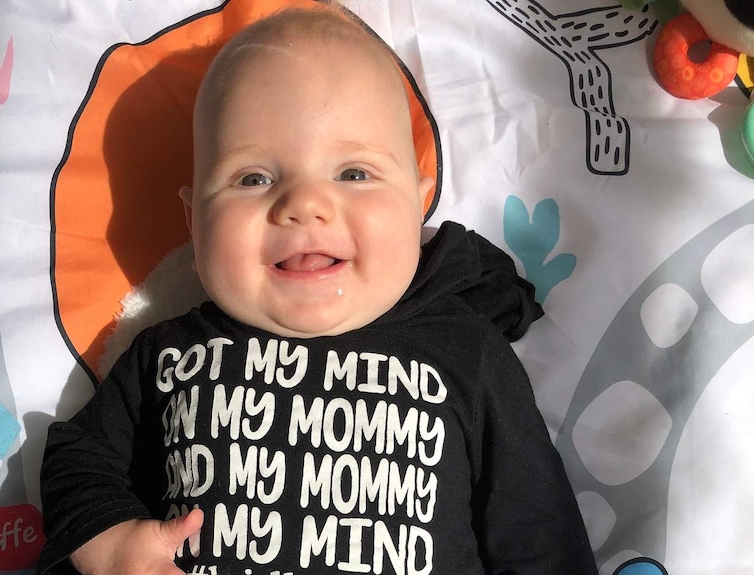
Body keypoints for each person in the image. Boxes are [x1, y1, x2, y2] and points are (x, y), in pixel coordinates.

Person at [38, 5, 598, 574]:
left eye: (354, 173)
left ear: (417, 204)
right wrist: (112, 546)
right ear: (194, 222)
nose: (304, 204)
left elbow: (539, 534)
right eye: (253, 178)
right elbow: (77, 459)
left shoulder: (471, 354)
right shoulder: (167, 356)